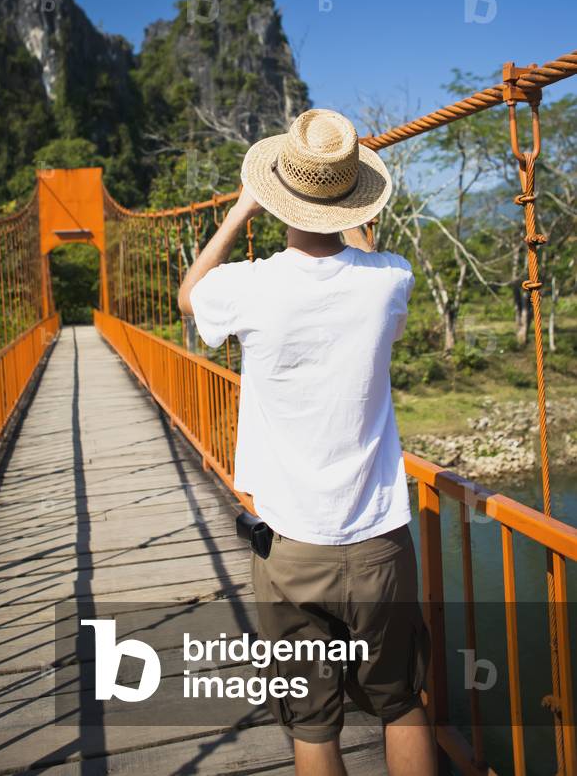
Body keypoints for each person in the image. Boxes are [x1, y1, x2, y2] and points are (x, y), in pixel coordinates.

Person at [177, 108, 436, 776]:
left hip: (290, 551)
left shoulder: (246, 288)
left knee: (314, 724)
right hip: (381, 545)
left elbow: (187, 297)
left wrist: (240, 210)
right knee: (402, 702)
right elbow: (362, 253)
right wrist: (344, 196)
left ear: (276, 195)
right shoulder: (391, 279)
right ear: (349, 199)